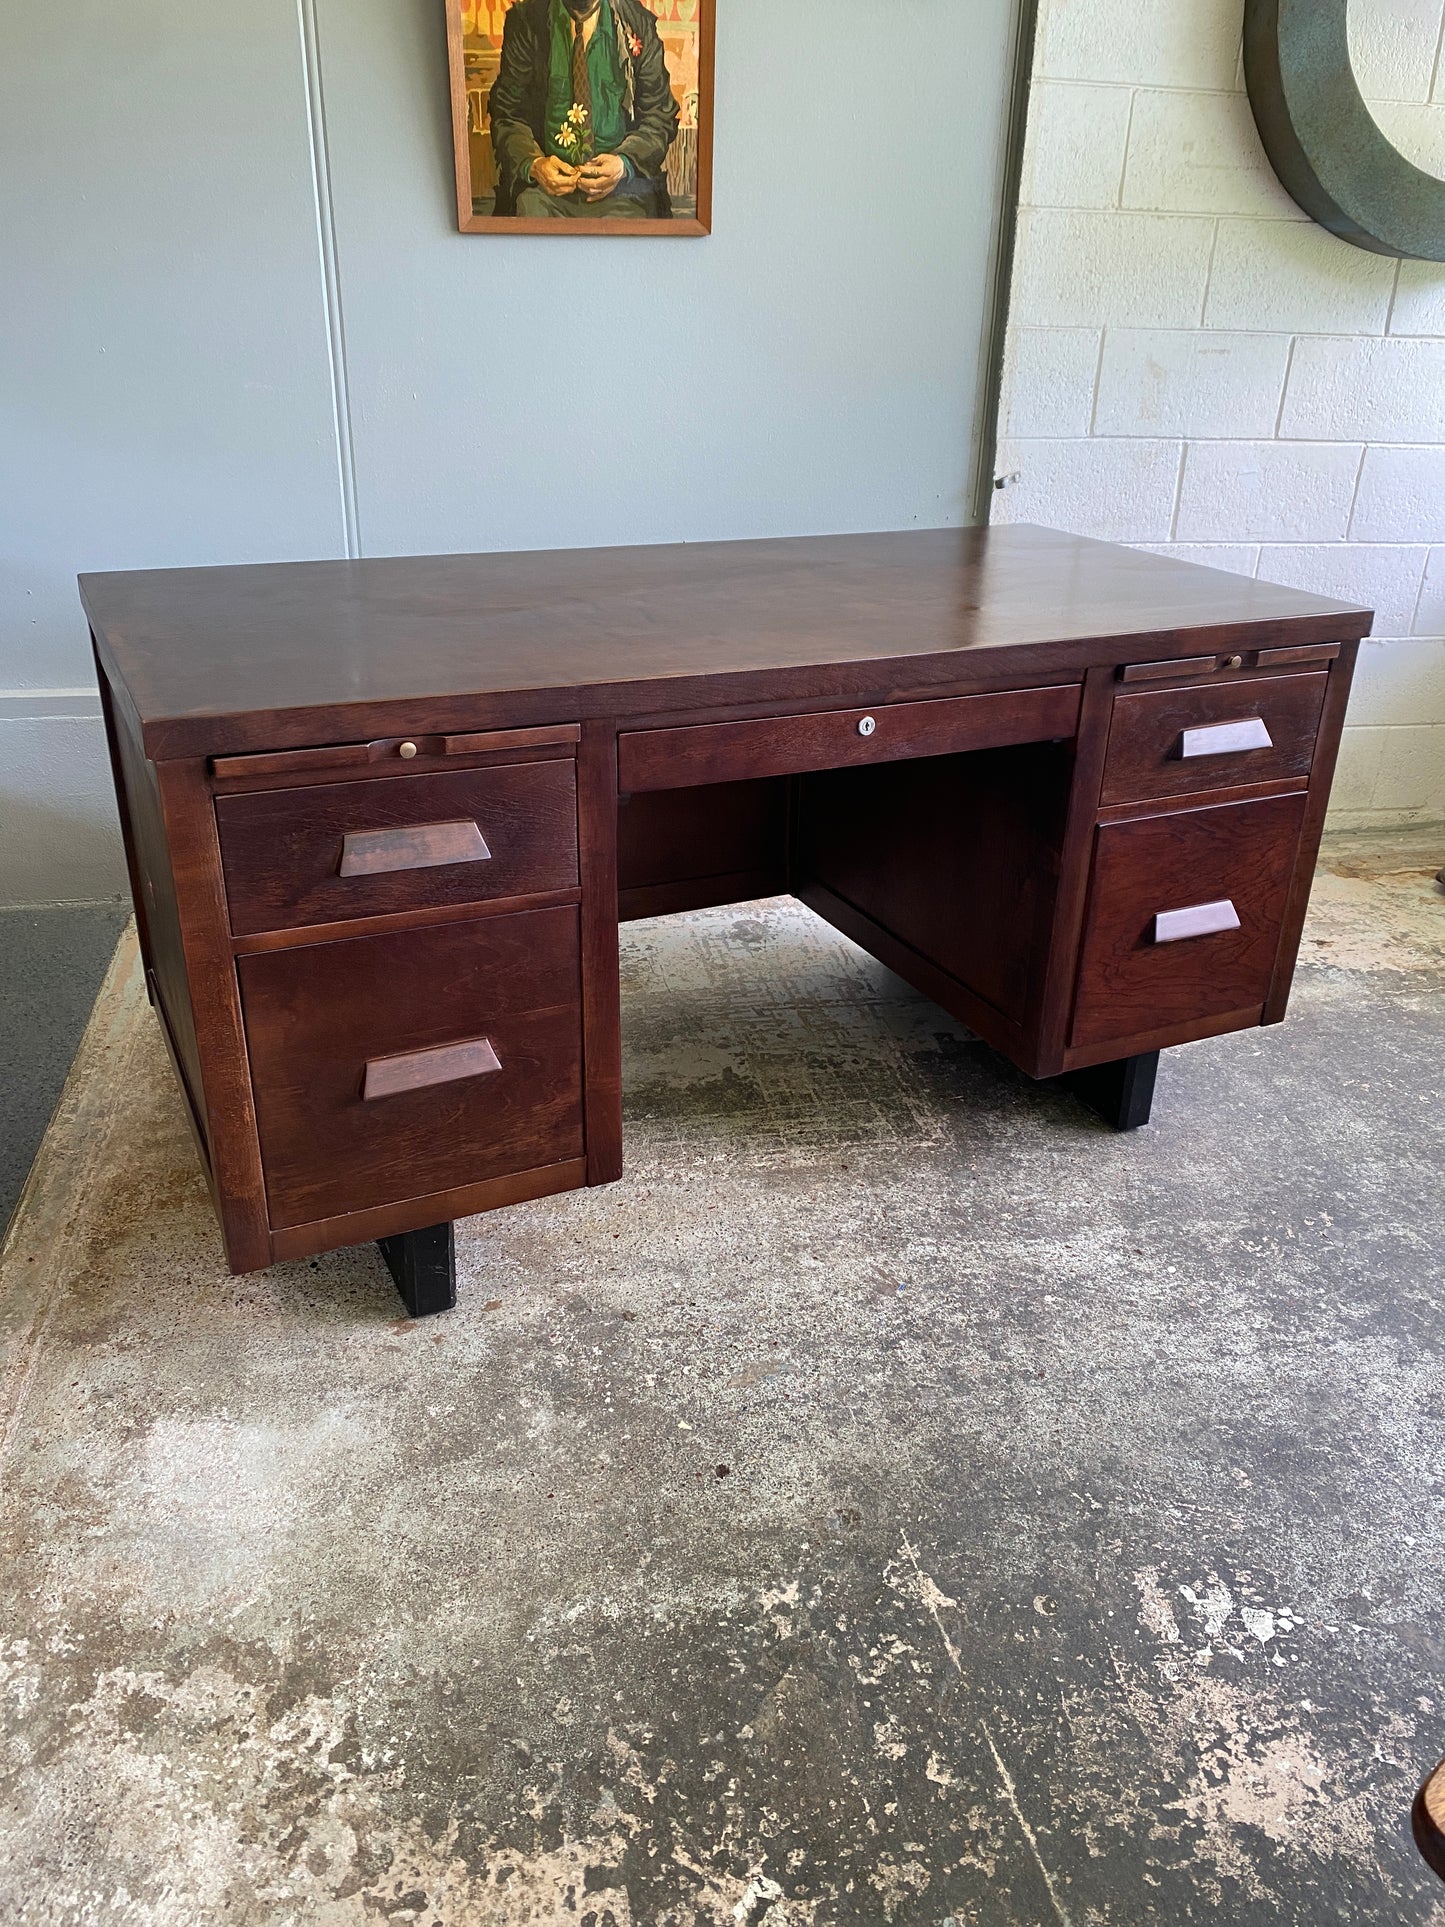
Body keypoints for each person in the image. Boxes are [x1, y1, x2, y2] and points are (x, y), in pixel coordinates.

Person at [488, 0, 680, 220]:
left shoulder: (637, 23)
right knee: (527, 213)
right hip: (542, 192)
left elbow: (659, 116)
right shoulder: (526, 21)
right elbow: (507, 113)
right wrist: (535, 164)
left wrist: (623, 163)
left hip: (624, 191)